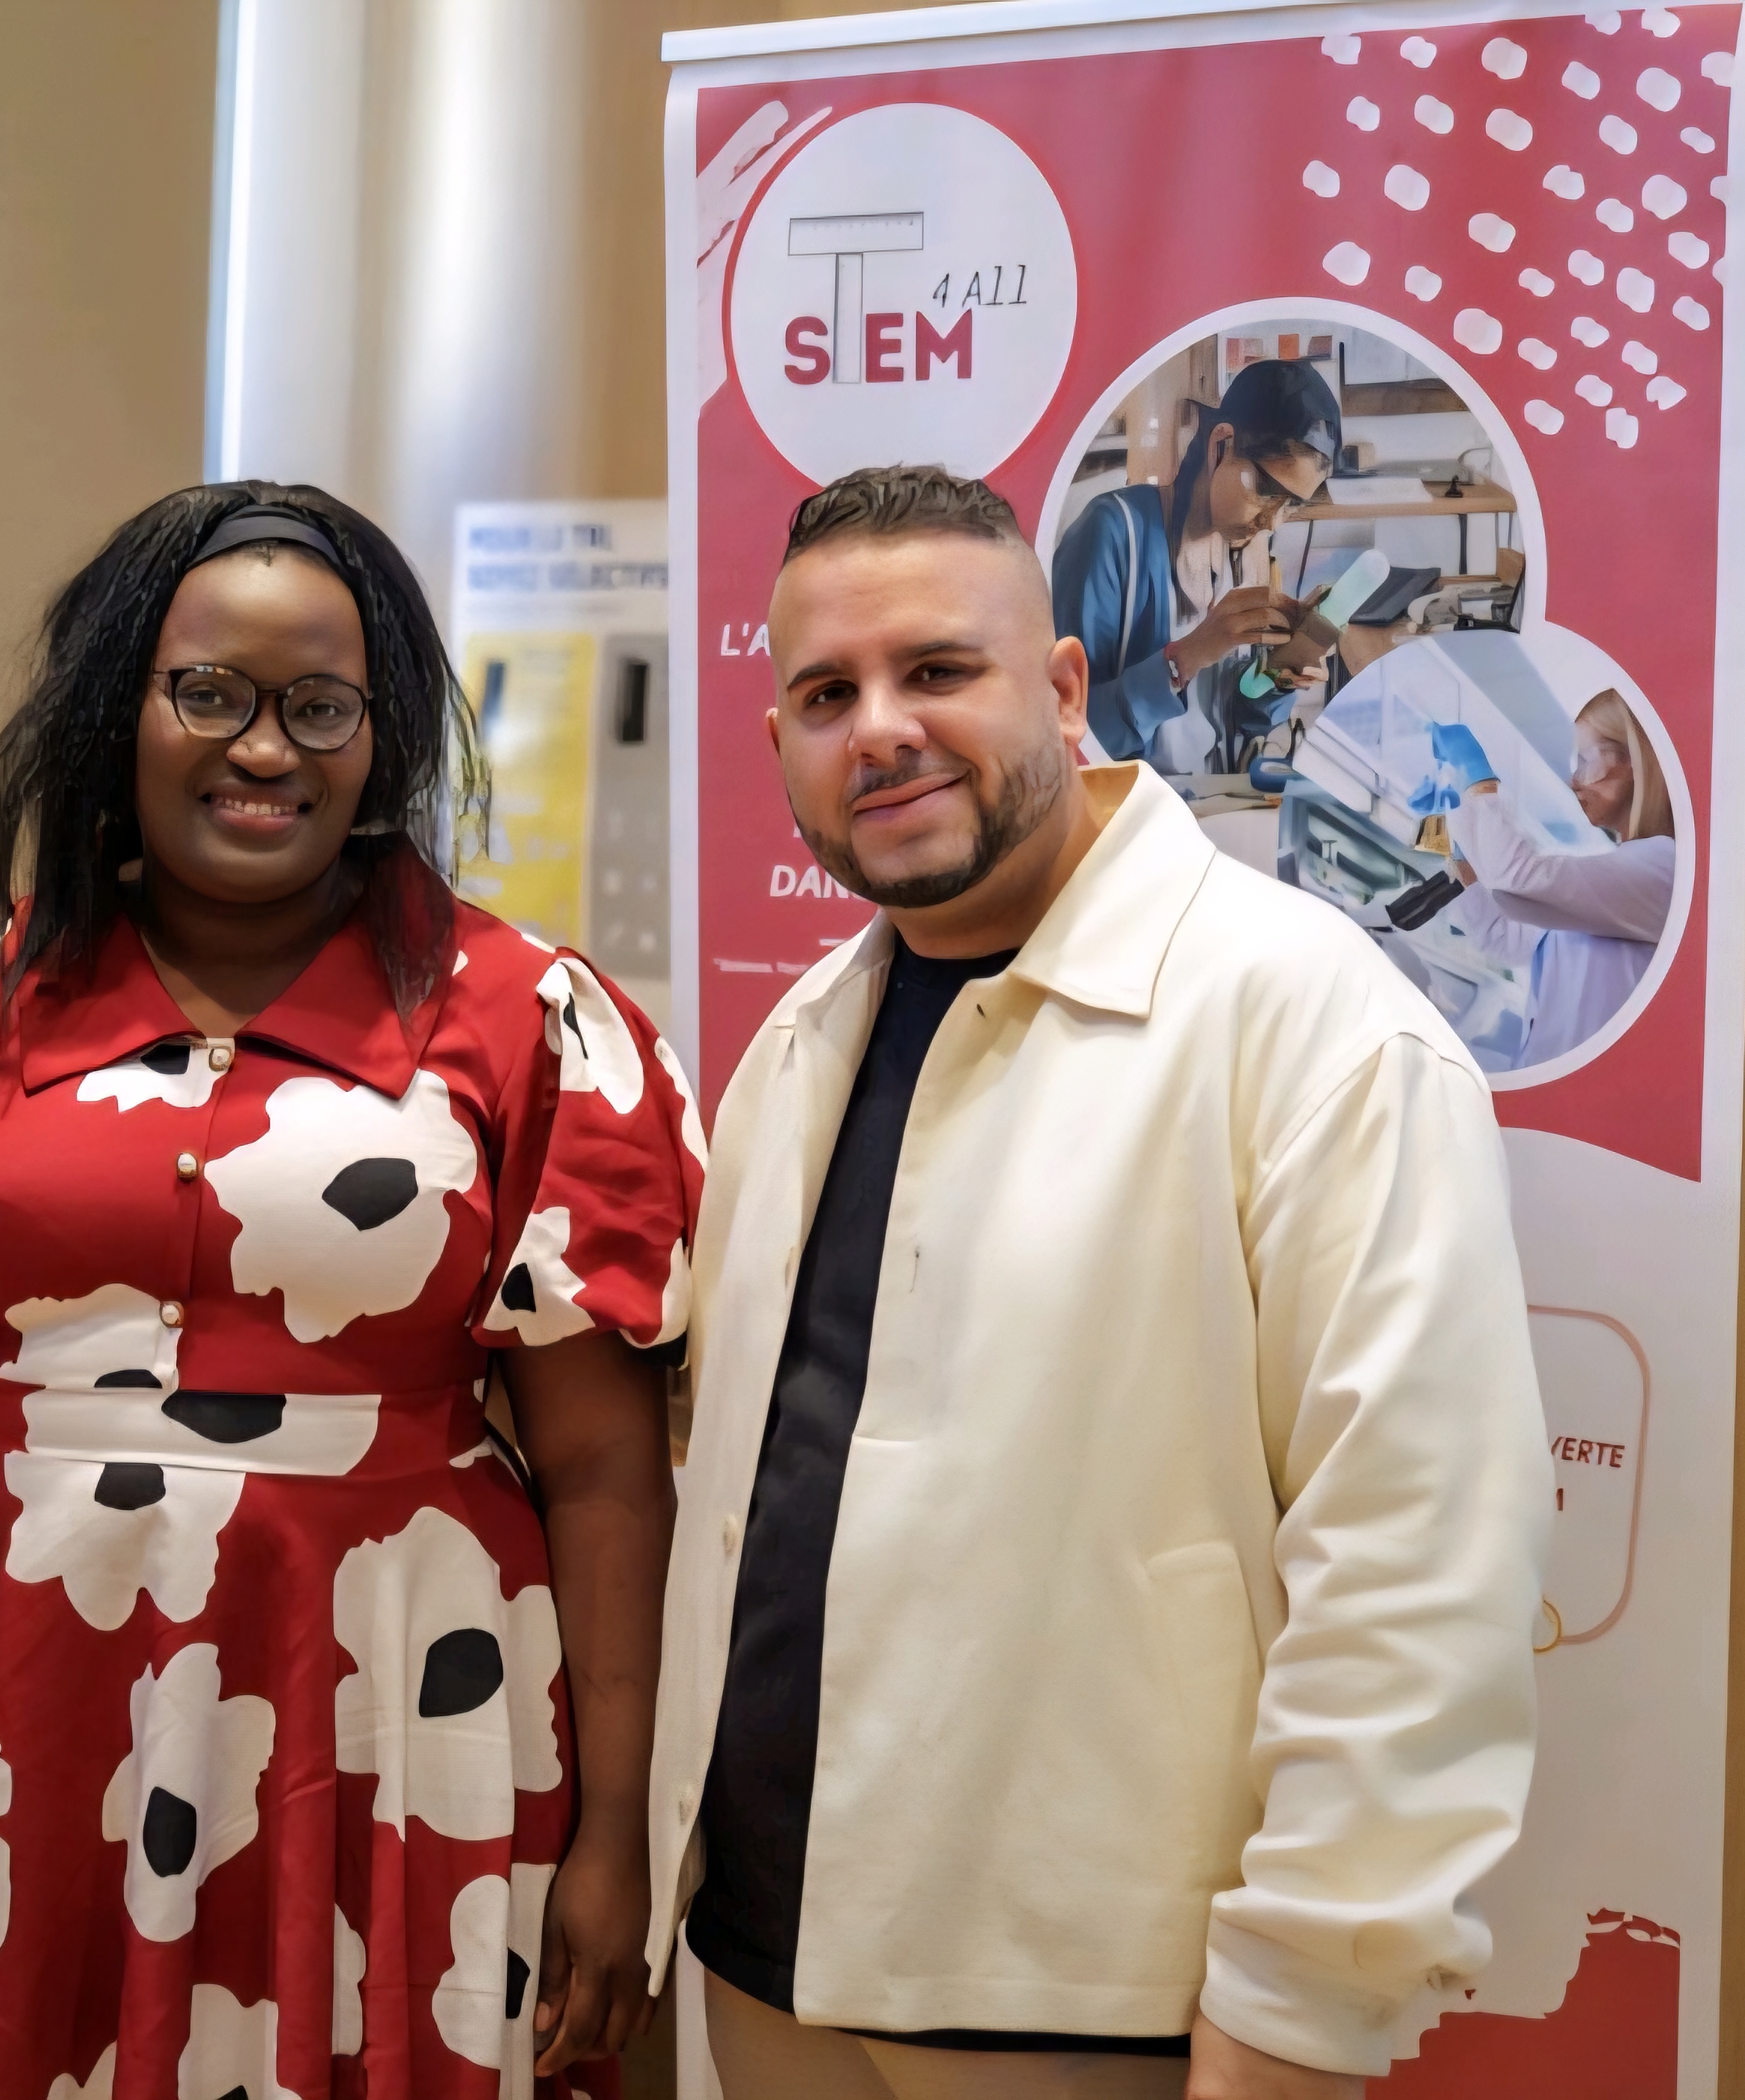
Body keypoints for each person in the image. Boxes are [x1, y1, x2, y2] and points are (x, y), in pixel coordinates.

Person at [0, 482, 702, 2099]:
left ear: (381, 738)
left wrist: (615, 1830)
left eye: (321, 706)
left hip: (386, 1704)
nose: (266, 747)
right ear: (119, 707)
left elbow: (603, 1462)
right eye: (210, 693)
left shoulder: (529, 1020)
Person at [650, 467, 1552, 2099]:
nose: (881, 731)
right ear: (779, 739)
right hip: (768, 1962)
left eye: (938, 670)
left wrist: (1303, 2005)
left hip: (1094, 2002)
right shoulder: (798, 1042)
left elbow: (1420, 1560)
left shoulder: (1310, 1026)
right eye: (827, 695)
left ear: (1065, 690)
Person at [1052, 356, 1342, 772]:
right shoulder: (1112, 534)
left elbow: (1238, 721)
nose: (1272, 522)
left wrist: (1277, 674)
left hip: (1205, 800)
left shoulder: (1244, 556)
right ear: (1222, 444)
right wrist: (1185, 657)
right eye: (1266, 490)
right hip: (1124, 803)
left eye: (1292, 505)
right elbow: (1064, 733)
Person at [1445, 688, 1679, 1066]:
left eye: (1586, 760)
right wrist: (1458, 837)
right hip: (1553, 1086)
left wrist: (1480, 783)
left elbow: (1517, 880)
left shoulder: (1662, 868)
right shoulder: (1612, 884)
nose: (1575, 781)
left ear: (1635, 761)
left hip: (1596, 1092)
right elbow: (1504, 937)